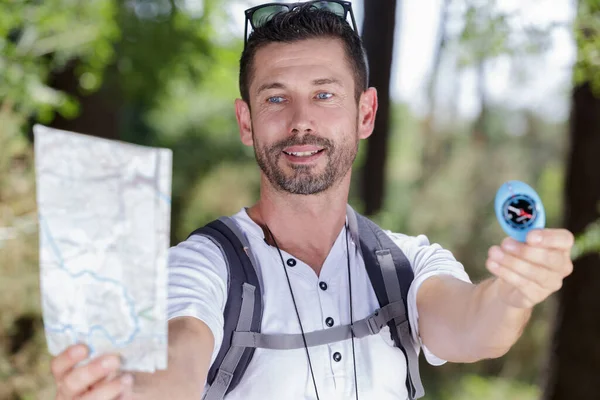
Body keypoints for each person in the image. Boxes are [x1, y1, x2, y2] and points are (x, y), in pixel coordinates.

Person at [49, 2, 574, 399]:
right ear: (246, 121)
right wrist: (124, 386)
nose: (300, 120)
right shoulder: (204, 266)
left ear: (364, 114)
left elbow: (472, 328)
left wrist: (513, 293)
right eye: (276, 97)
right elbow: (180, 350)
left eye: (324, 94)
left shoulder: (402, 261)